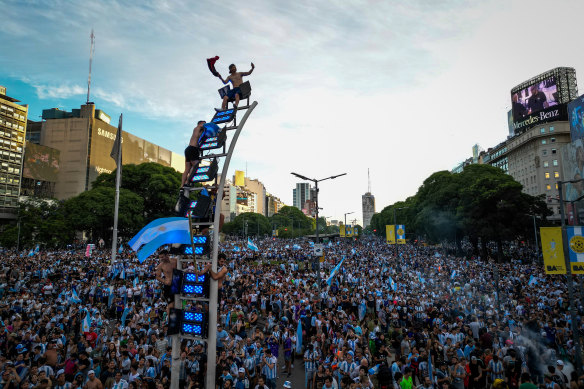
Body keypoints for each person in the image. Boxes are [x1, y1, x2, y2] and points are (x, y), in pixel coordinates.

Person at [182, 121, 206, 187]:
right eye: (204, 123)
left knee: (187, 169)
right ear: (199, 124)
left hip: (189, 149)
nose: (205, 124)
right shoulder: (197, 128)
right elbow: (202, 126)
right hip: (193, 149)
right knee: (196, 165)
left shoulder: (200, 132)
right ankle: (187, 182)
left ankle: (182, 186)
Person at [154, 250, 177, 318]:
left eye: (162, 257)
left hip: (177, 284)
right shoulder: (160, 266)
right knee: (170, 305)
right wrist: (164, 281)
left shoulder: (175, 260)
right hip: (168, 286)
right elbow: (157, 277)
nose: (161, 259)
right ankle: (170, 321)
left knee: (179, 303)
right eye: (160, 257)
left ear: (167, 255)